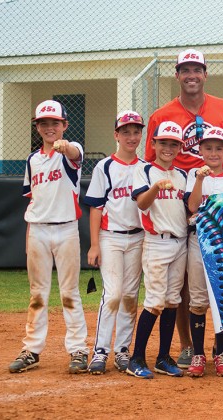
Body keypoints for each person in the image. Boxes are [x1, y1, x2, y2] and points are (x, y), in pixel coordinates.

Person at [144, 48, 223, 367]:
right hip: (179, 193)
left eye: (197, 69)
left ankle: (221, 344)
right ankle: (189, 345)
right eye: (185, 70)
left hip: (220, 196)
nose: (191, 75)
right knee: (189, 279)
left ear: (205, 73)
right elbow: (152, 163)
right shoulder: (161, 115)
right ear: (177, 75)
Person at [9, 100, 89, 374]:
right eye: (44, 123)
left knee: (70, 293)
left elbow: (76, 152)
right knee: (37, 294)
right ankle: (31, 349)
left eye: (55, 123)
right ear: (38, 128)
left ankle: (78, 349)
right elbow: (32, 198)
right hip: (38, 230)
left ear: (64, 125)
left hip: (66, 228)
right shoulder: (33, 160)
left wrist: (64, 146)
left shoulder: (69, 153)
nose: (49, 127)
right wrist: (29, 235)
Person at [84, 110, 146, 374]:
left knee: (130, 296)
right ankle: (100, 350)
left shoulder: (145, 167)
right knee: (113, 294)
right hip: (111, 237)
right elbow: (96, 207)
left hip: (138, 237)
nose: (131, 136)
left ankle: (122, 350)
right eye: (126, 132)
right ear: (116, 135)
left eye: (136, 131)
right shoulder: (105, 167)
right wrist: (94, 244)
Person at [126, 121, 189, 379]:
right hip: (156, 242)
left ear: (180, 148)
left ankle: (163, 357)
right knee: (154, 301)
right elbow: (141, 204)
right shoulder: (144, 171)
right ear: (153, 144)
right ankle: (136, 358)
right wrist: (155, 187)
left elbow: (187, 209)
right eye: (163, 142)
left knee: (173, 301)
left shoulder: (182, 176)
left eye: (173, 144)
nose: (168, 148)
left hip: (180, 242)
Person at [183, 126, 223, 377]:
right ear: (200, 149)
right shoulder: (193, 174)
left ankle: (220, 354)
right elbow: (193, 206)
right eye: (208, 147)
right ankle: (198, 353)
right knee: (198, 301)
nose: (214, 152)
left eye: (219, 148)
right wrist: (199, 179)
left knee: (222, 300)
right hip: (199, 241)